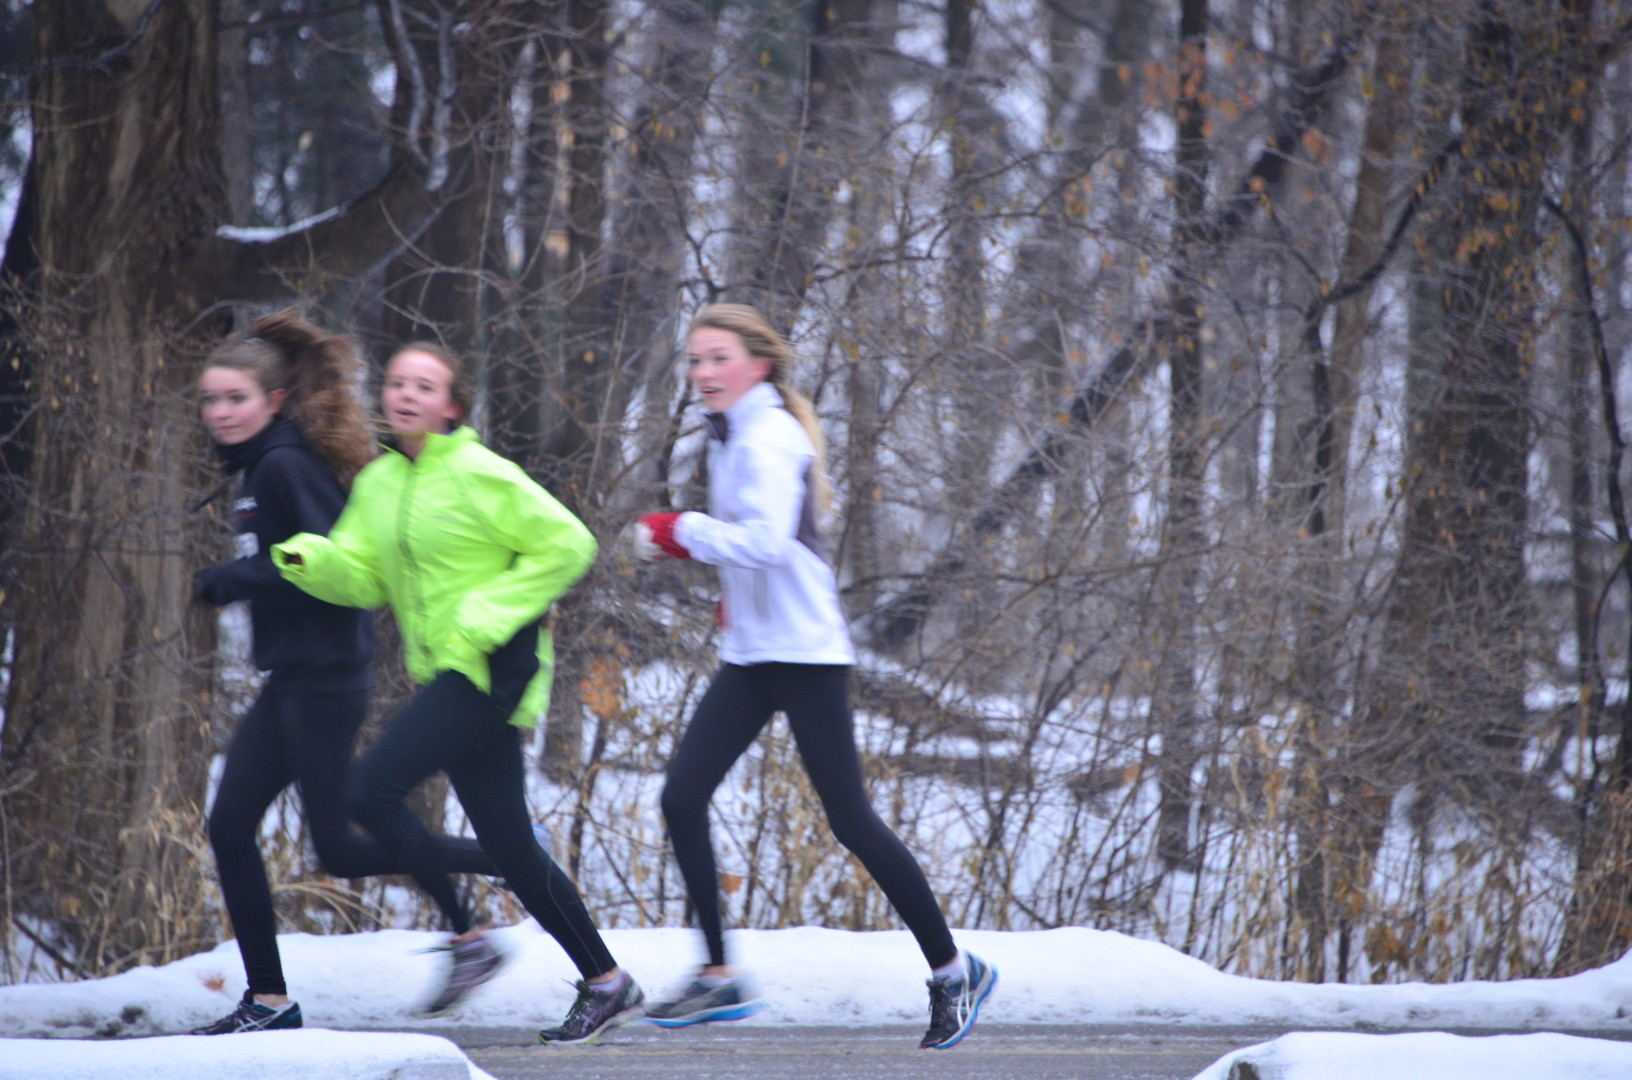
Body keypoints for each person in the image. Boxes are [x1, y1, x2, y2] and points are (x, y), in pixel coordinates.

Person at [629, 303, 997, 1049]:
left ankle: (955, 969)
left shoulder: (770, 435)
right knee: (681, 796)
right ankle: (718, 975)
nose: (703, 373)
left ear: (758, 365)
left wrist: (679, 531)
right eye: (695, 360)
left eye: (719, 358)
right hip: (754, 654)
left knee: (850, 820)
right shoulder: (732, 434)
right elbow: (771, 553)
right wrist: (737, 604)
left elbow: (765, 542)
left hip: (807, 657)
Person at [272, 342, 645, 1045]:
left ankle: (471, 939)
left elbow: (569, 544)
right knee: (511, 847)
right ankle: (607, 981)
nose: (406, 394)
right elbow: (363, 576)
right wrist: (309, 559)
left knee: (368, 793)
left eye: (424, 386)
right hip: (446, 672)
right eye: (397, 383)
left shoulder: (479, 472)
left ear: (451, 406)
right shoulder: (380, 483)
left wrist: (489, 612)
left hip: (491, 668)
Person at [191, 311, 504, 1036]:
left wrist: (236, 578)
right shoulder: (261, 467)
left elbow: (334, 566)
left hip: (326, 680)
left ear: (273, 401)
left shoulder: (284, 466)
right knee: (233, 825)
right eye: (210, 400)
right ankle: (270, 1002)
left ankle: (510, 861)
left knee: (335, 844)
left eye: (236, 398)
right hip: (294, 679)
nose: (221, 413)